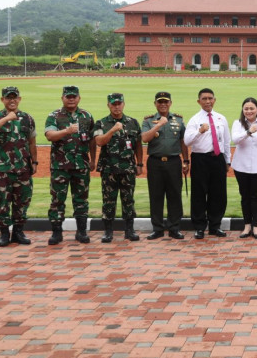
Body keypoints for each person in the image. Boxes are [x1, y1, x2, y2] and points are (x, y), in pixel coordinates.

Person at [0, 86, 38, 247]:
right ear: (3, 100)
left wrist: (34, 162)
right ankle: (4, 233)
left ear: (19, 99)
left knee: (22, 200)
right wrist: (6, 118)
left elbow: (32, 142)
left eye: (15, 97)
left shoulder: (27, 118)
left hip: (22, 168)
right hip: (2, 169)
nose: (12, 100)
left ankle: (18, 232)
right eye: (8, 97)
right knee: (2, 201)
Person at [45, 85, 96, 245]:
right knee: (57, 200)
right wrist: (66, 131)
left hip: (81, 165)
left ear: (79, 98)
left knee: (81, 199)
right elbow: (50, 135)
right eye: (68, 96)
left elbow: (92, 140)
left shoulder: (86, 116)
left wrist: (93, 159)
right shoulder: (54, 116)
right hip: (60, 166)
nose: (71, 99)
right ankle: (56, 232)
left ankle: (81, 232)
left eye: (74, 96)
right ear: (63, 98)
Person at [93, 93, 143, 243]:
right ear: (108, 105)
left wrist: (139, 164)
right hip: (109, 169)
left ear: (123, 104)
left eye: (119, 103)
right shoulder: (101, 123)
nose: (116, 106)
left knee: (128, 200)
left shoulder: (133, 122)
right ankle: (108, 231)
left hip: (128, 168)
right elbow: (99, 142)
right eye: (113, 104)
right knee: (109, 200)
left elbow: (138, 145)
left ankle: (130, 230)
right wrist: (113, 130)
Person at [183, 88, 231, 239]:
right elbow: (187, 141)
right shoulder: (195, 119)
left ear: (214, 100)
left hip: (217, 158)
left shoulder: (221, 118)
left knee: (218, 193)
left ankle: (215, 226)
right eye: (204, 99)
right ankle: (199, 227)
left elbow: (227, 141)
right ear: (199, 101)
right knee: (199, 193)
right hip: (200, 159)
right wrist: (199, 131)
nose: (208, 101)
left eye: (210, 98)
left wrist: (227, 160)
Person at [141, 91, 189, 240]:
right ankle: (157, 228)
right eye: (160, 102)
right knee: (156, 195)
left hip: (174, 162)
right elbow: (145, 138)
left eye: (165, 102)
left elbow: (183, 142)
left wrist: (186, 161)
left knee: (174, 195)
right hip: (155, 162)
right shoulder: (148, 121)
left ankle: (174, 228)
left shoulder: (179, 120)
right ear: (155, 103)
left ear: (170, 103)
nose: (163, 104)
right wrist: (159, 124)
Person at [231, 97, 257, 239]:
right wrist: (248, 132)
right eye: (246, 108)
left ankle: (256, 227)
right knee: (245, 196)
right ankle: (246, 225)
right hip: (241, 165)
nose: (249, 111)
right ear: (242, 110)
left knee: (256, 196)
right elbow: (235, 139)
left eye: (252, 108)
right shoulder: (238, 124)